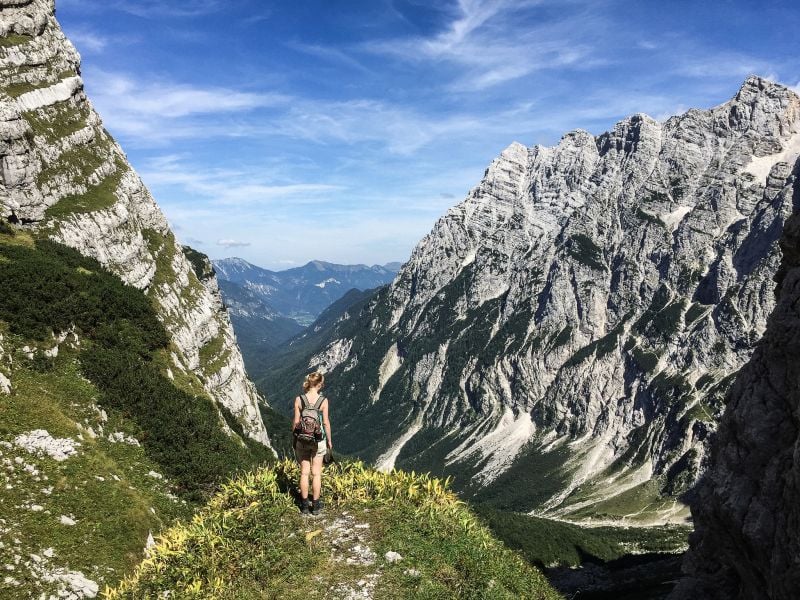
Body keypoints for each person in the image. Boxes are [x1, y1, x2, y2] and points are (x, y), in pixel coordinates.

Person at [292, 371, 332, 516]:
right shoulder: (323, 401)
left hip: (302, 439)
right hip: (318, 440)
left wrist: (296, 438)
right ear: (320, 384)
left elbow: (296, 422)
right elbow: (326, 423)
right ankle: (315, 506)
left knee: (304, 473)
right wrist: (329, 441)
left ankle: (303, 506)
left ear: (309, 383)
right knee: (316, 474)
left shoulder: (299, 399)